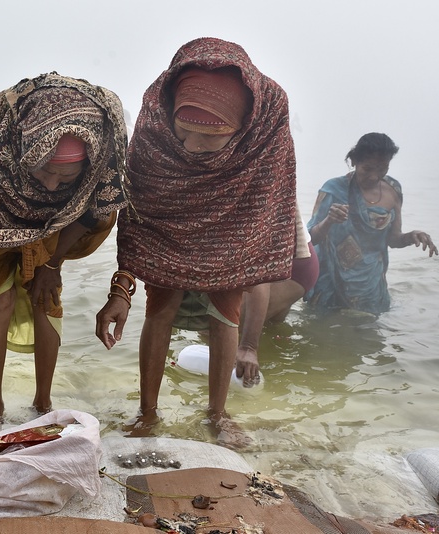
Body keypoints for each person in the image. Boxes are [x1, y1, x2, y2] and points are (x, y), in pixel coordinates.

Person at [95, 38, 296, 448]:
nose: (189, 148)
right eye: (183, 134)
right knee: (161, 307)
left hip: (232, 229)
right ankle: (147, 412)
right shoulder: (155, 130)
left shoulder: (264, 128)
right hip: (166, 231)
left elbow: (267, 201)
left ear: (240, 131)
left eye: (208, 140)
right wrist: (121, 287)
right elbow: (138, 210)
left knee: (225, 313)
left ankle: (218, 415)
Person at [0, 73, 128, 423]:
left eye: (65, 178)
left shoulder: (103, 152)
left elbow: (97, 212)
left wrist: (52, 263)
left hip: (61, 229)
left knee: (46, 296)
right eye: (44, 169)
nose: (49, 184)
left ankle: (44, 404)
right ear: (27, 151)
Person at [305, 132, 438, 315]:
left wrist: (411, 236)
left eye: (382, 168)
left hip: (370, 285)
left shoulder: (393, 191)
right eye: (367, 169)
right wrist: (329, 220)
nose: (375, 176)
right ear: (354, 162)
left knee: (370, 336)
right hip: (331, 283)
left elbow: (393, 239)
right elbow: (310, 238)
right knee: (324, 334)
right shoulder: (333, 189)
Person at [235, 206, 320, 387]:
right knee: (272, 329)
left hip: (293, 265)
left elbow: (260, 273)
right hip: (292, 256)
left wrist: (248, 347)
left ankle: (254, 371)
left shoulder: (252, 193)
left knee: (218, 327)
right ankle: (278, 371)